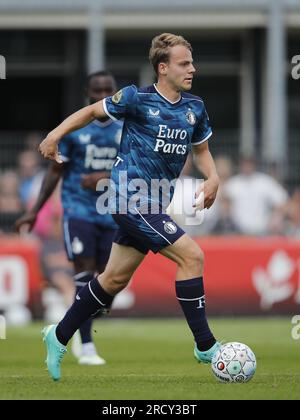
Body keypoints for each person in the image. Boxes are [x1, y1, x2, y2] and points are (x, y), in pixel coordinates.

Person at [39, 33, 221, 381]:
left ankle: (58, 335)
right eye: (185, 64)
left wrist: (213, 178)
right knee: (192, 257)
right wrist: (55, 134)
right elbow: (93, 111)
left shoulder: (194, 107)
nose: (192, 69)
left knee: (113, 280)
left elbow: (202, 151)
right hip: (128, 198)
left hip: (156, 202)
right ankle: (205, 345)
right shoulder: (136, 98)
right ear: (162, 67)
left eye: (192, 63)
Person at [16, 71, 122, 366]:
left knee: (110, 281)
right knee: (84, 275)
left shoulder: (126, 128)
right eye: (96, 91)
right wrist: (35, 210)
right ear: (87, 94)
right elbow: (55, 171)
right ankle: (86, 344)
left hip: (112, 213)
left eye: (107, 90)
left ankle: (81, 318)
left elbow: (135, 170)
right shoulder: (75, 129)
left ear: (115, 93)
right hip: (78, 211)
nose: (102, 96)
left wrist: (104, 176)